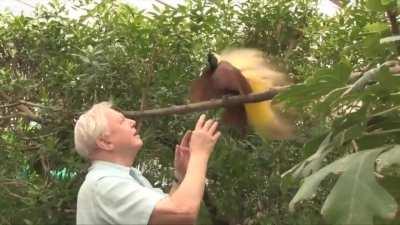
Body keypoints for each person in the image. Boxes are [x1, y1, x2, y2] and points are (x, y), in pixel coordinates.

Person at [74, 101, 221, 225]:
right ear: (105, 142)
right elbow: (183, 211)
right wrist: (200, 153)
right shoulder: (104, 185)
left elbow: (170, 219)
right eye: (122, 121)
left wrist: (180, 176)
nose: (132, 122)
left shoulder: (127, 177)